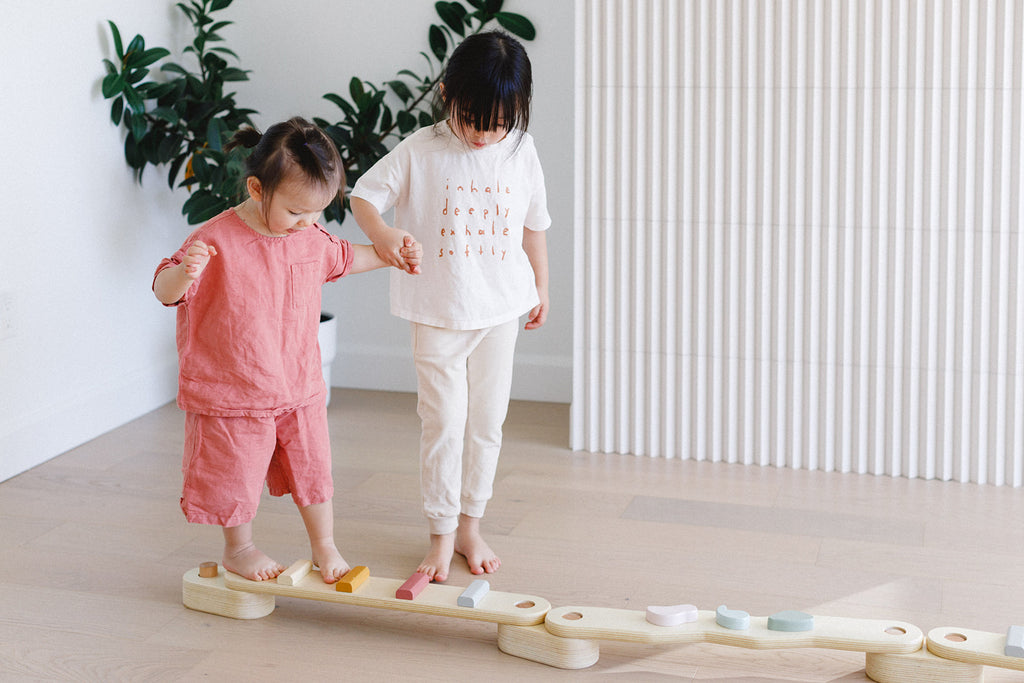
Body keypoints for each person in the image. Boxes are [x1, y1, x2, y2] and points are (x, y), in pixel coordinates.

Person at [153, 117, 422, 583]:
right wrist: (185, 273)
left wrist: (388, 253)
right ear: (257, 189)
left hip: (297, 384)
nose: (308, 223)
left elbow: (345, 256)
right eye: (296, 211)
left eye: (317, 212)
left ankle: (325, 545)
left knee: (313, 469)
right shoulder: (214, 239)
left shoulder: (309, 237)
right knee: (233, 474)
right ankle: (239, 548)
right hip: (234, 390)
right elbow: (164, 290)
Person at [350, 31, 551, 582]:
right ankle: (440, 533)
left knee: (487, 423)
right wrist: (384, 236)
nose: (485, 135)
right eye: (474, 120)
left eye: (499, 123)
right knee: (444, 424)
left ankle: (470, 525)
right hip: (440, 312)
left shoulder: (522, 150)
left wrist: (542, 287)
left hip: (502, 310)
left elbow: (534, 226)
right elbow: (363, 195)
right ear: (447, 95)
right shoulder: (421, 150)